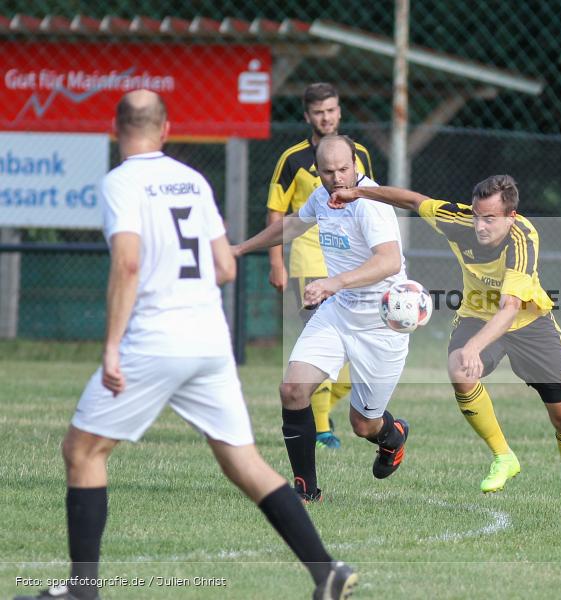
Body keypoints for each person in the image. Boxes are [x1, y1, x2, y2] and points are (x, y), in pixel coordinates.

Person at [14, 91, 356, 600]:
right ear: (166, 130)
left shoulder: (120, 182)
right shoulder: (193, 180)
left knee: (82, 450)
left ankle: (82, 590)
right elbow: (224, 267)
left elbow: (128, 263)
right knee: (244, 462)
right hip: (210, 340)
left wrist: (112, 345)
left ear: (115, 131)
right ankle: (326, 570)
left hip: (157, 339)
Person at [329, 175, 561, 516]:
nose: (480, 225)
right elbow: (412, 200)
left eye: (490, 219)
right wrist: (357, 192)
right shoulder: (456, 220)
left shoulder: (523, 237)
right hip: (476, 316)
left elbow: (510, 308)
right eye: (476, 215)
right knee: (459, 369)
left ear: (511, 217)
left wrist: (474, 347)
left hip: (528, 322)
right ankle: (503, 456)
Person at [235, 135, 411, 503]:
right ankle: (306, 490)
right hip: (338, 313)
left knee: (363, 424)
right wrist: (240, 248)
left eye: (344, 169)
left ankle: (392, 436)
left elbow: (389, 261)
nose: (337, 177)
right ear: (318, 170)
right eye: (328, 171)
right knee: (293, 390)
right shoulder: (321, 197)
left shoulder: (369, 204)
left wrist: (334, 282)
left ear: (355, 165)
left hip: (381, 322)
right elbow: (292, 225)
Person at [266, 83, 375, 450]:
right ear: (307, 116)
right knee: (322, 341)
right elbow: (277, 212)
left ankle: (322, 412)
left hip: (351, 263)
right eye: (318, 112)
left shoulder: (359, 154)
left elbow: (370, 199)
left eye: (330, 110)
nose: (325, 117)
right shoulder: (292, 158)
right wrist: (276, 262)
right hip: (309, 260)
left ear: (339, 111)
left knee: (360, 349)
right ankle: (323, 429)